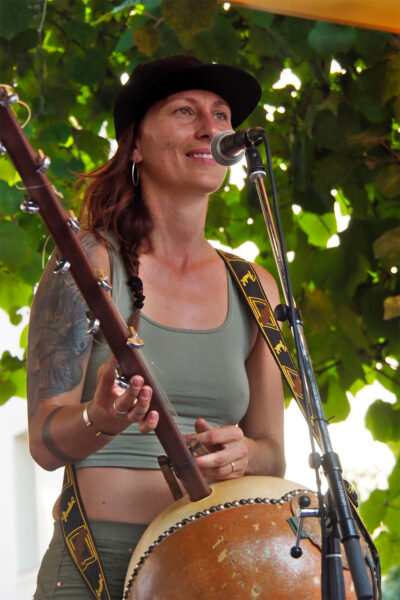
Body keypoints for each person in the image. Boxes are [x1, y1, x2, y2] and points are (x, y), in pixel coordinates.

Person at [28, 54, 285, 599]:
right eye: (184, 111)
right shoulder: (88, 264)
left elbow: (273, 452)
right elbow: (45, 443)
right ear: (136, 146)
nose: (210, 128)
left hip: (216, 563)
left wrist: (242, 453)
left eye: (220, 115)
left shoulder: (255, 284)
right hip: (99, 563)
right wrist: (100, 419)